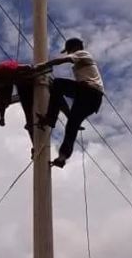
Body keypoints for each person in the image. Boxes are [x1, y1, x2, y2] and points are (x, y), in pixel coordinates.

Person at [37, 37, 104, 167]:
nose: (68, 53)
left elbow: (63, 60)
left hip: (89, 92)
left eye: (68, 50)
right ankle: (62, 157)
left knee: (57, 84)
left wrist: (43, 65)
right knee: (71, 125)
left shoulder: (82, 54)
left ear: (74, 48)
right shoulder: (81, 59)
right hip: (92, 99)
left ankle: (51, 118)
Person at [0, 59, 35, 146]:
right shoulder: (0, 84)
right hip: (17, 81)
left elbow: (27, 67)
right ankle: (34, 140)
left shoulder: (3, 70)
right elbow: (2, 102)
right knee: (29, 115)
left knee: (29, 112)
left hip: (25, 80)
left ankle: (32, 130)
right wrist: (2, 117)